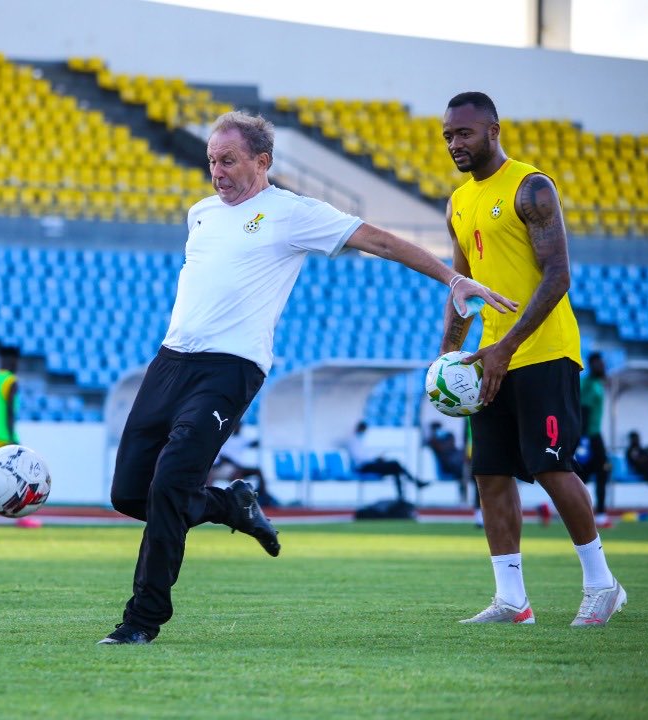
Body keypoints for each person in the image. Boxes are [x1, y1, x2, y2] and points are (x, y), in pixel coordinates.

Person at [99, 109, 517, 645]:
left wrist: (454, 276)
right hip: (169, 363)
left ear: (262, 161)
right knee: (130, 496)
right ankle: (231, 504)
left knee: (170, 485)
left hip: (228, 370)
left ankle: (141, 621)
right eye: (211, 161)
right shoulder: (200, 213)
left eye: (228, 160)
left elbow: (381, 241)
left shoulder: (292, 213)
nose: (217, 172)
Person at [438, 91, 624, 627]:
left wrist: (505, 347)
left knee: (549, 465)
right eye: (448, 135)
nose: (455, 143)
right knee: (491, 474)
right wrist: (449, 357)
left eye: (465, 133)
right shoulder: (457, 203)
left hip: (542, 350)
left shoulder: (531, 187)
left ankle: (601, 583)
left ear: (493, 130)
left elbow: (558, 276)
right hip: (489, 359)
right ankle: (512, 600)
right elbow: (462, 289)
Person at [0, 351, 41, 529]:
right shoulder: (10, 381)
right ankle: (20, 516)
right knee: (18, 477)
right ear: (13, 362)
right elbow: (10, 412)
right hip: (3, 437)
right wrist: (13, 438)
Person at [347, 421, 428, 500]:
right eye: (363, 430)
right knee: (395, 464)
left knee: (395, 469)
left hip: (369, 464)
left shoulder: (360, 440)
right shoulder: (353, 440)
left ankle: (401, 496)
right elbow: (359, 457)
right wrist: (375, 458)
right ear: (359, 429)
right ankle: (415, 484)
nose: (364, 432)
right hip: (363, 467)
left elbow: (365, 455)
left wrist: (377, 458)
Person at [577, 352, 612, 528]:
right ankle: (600, 514)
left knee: (589, 474)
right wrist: (583, 440)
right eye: (600, 363)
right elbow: (584, 411)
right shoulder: (588, 384)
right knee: (596, 473)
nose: (603, 366)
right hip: (590, 436)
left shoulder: (597, 383)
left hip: (594, 435)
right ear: (592, 364)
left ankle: (595, 513)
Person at [207, 420, 276, 507]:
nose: (238, 428)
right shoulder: (227, 439)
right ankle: (236, 499)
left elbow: (255, 443)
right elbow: (223, 458)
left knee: (257, 471)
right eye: (236, 426)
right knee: (237, 473)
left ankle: (263, 496)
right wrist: (234, 464)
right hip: (227, 467)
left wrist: (267, 436)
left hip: (238, 467)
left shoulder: (243, 439)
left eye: (240, 426)